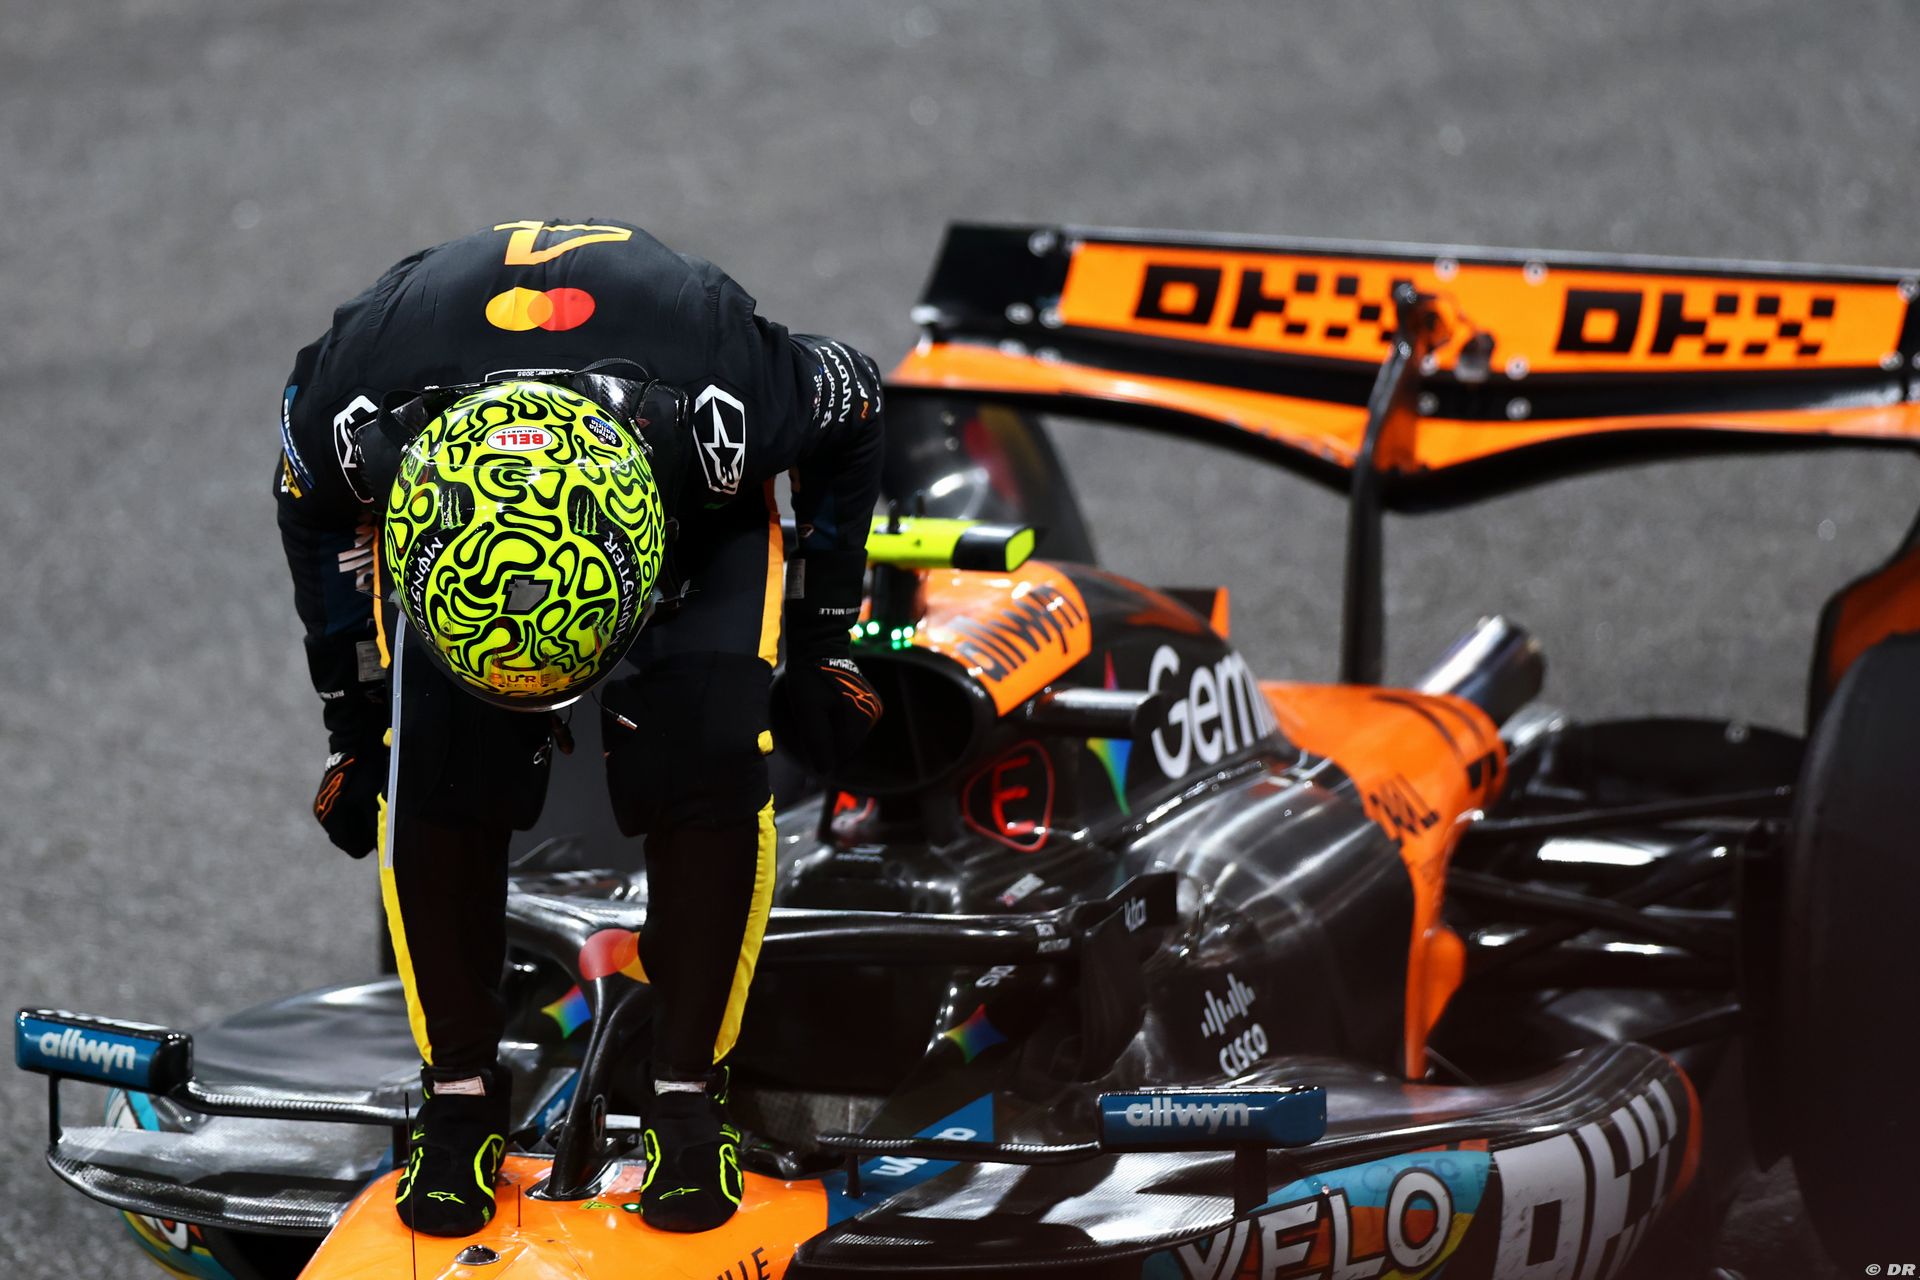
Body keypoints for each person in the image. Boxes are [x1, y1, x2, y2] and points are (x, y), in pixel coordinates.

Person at [274, 219, 885, 1235]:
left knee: (708, 757)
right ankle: (457, 1097)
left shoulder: (728, 406)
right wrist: (355, 716)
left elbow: (857, 399)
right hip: (457, 452)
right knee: (429, 768)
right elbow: (312, 515)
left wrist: (826, 640)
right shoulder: (350, 417)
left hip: (676, 461)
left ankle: (689, 1096)